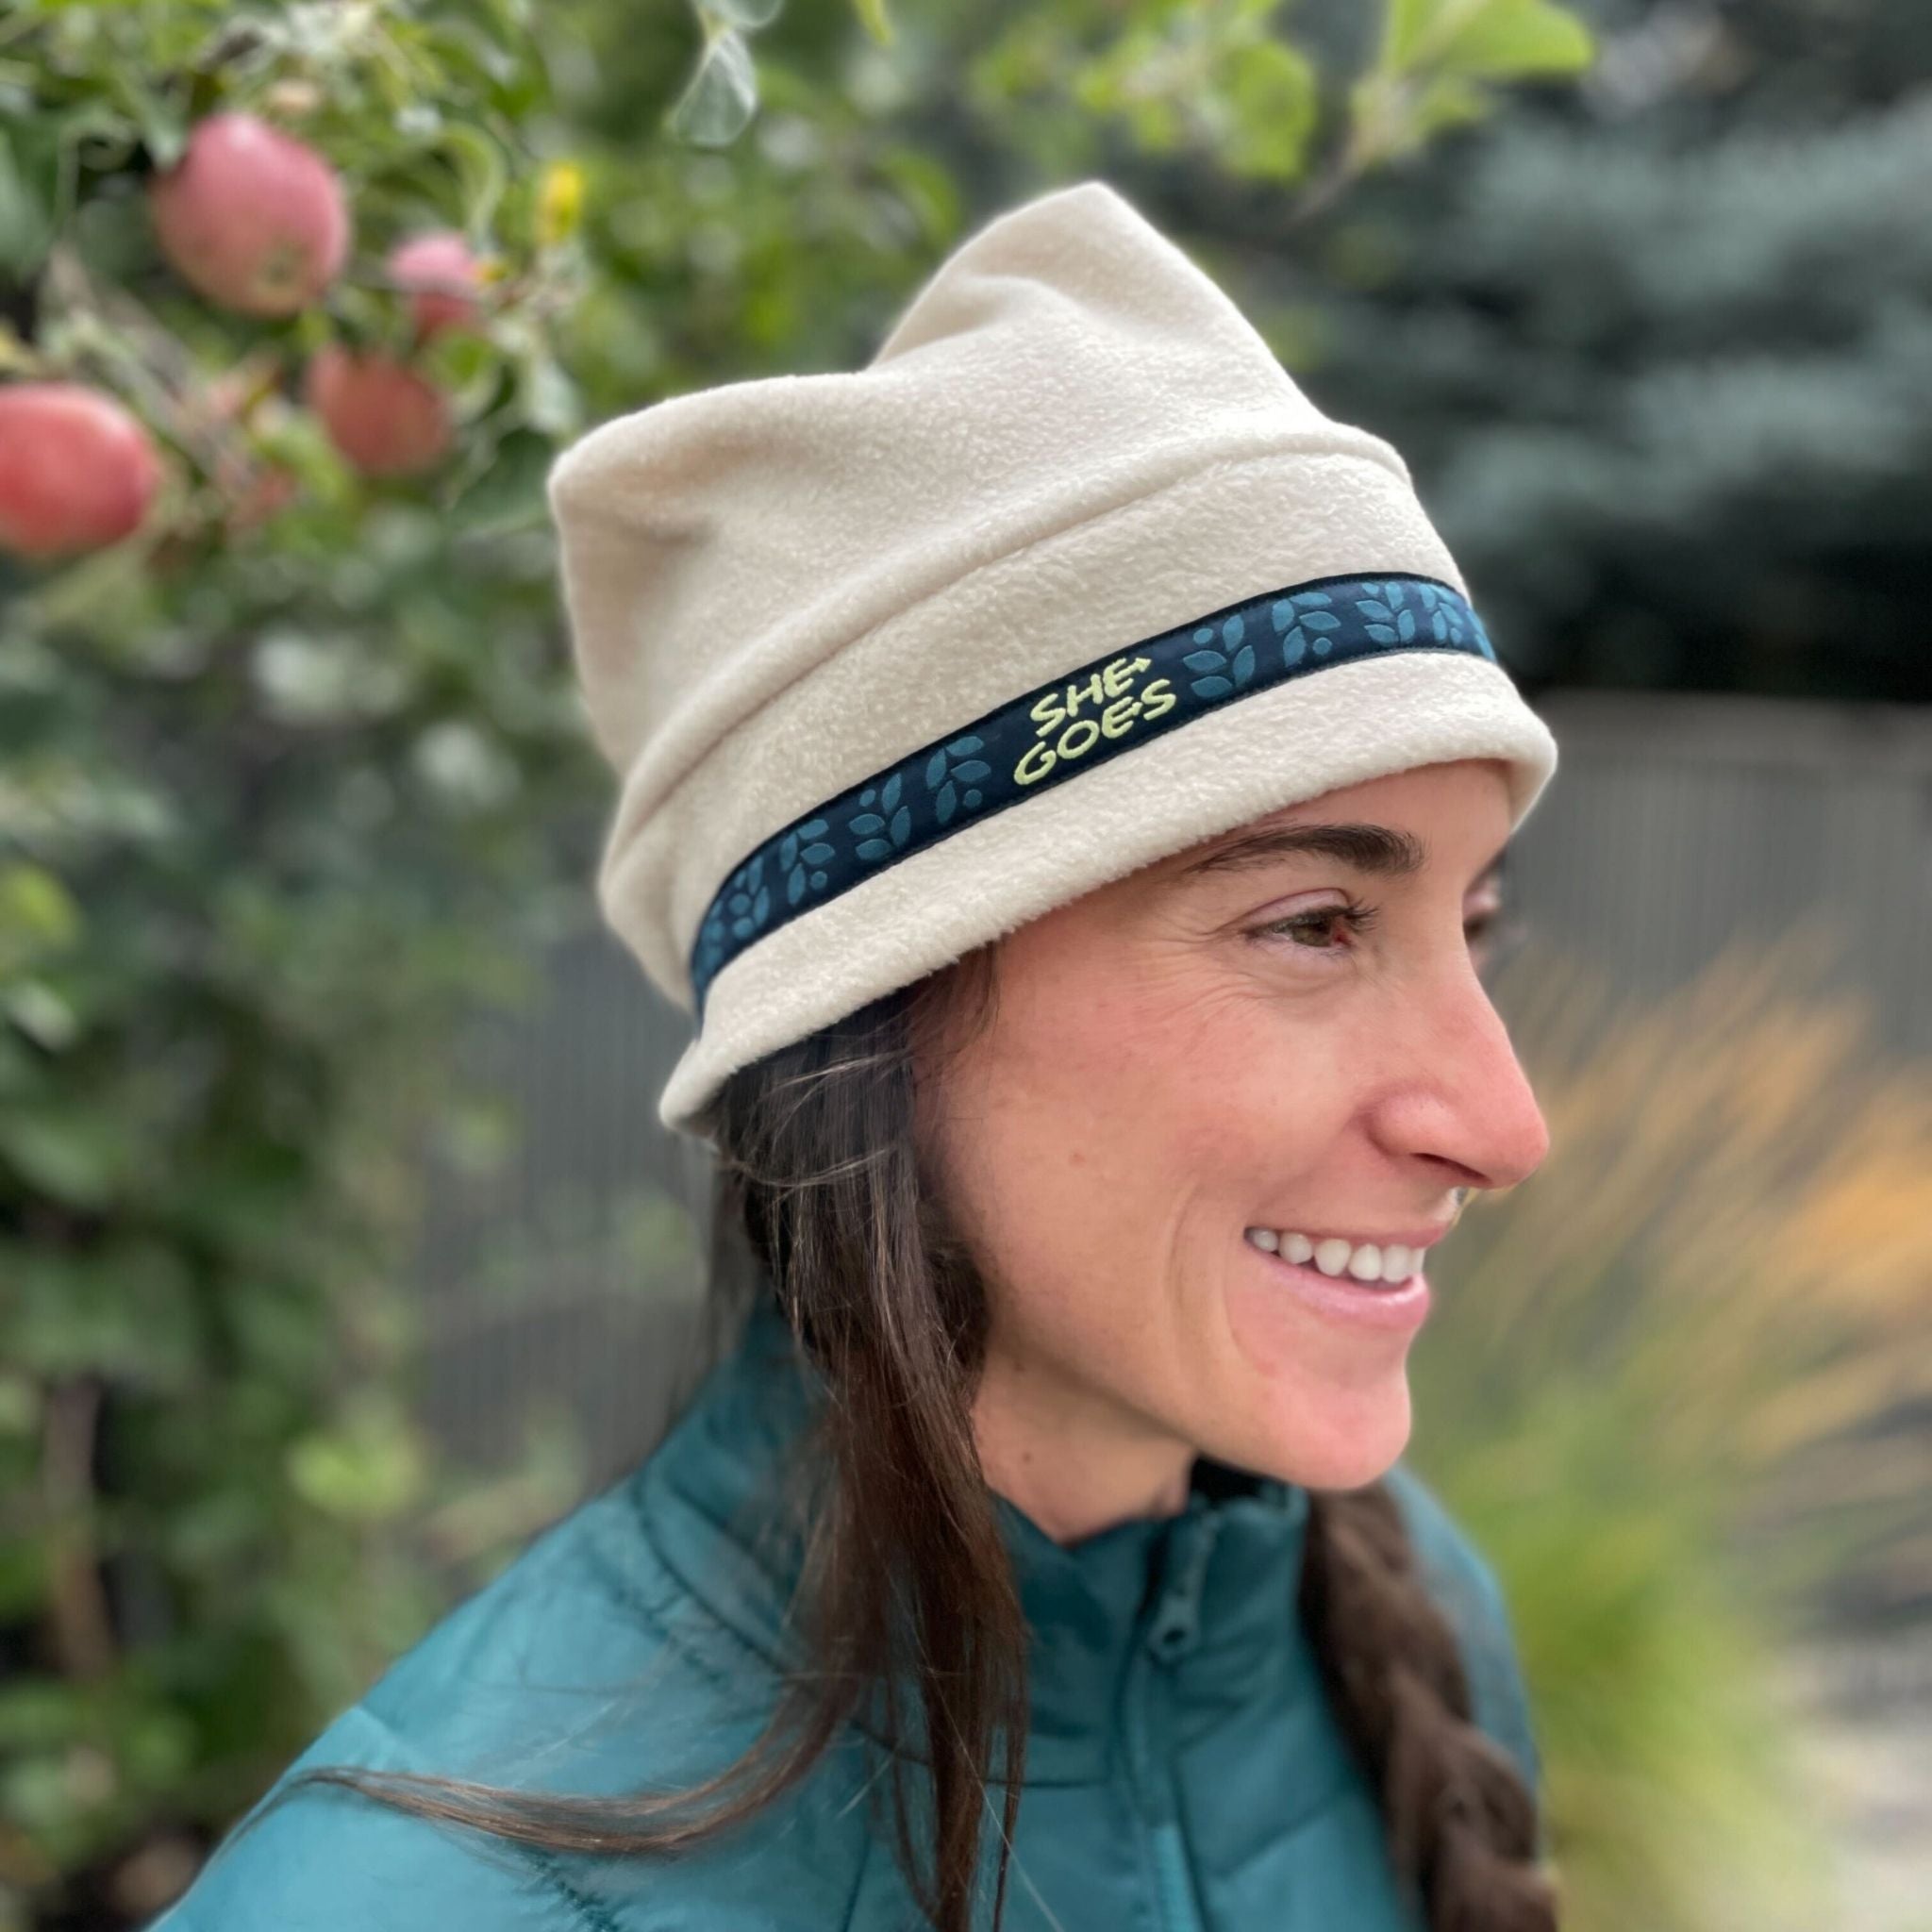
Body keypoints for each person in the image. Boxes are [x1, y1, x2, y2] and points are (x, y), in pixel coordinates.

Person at [150, 177, 1564, 1932]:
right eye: (1313, 926)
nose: (1501, 1125)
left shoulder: (1406, 1632)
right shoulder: (416, 1904)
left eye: (1467, 931)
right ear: (874, 1005)